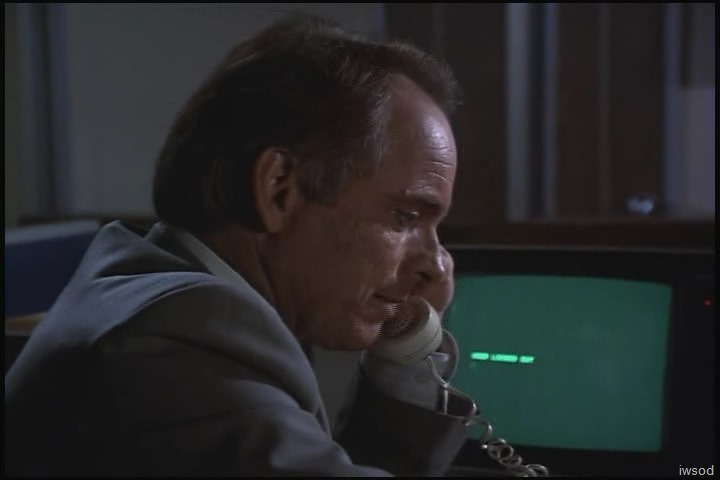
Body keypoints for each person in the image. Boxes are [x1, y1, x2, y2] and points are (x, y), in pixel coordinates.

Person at [5, 15, 477, 476]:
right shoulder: (173, 353)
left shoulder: (152, 300)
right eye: (405, 217)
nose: (437, 267)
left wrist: (403, 357)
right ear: (279, 190)